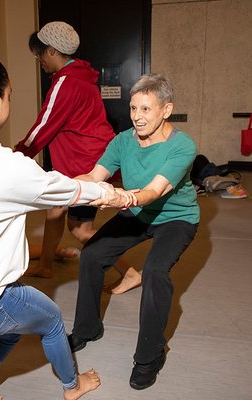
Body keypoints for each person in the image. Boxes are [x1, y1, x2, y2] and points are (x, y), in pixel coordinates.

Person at [0, 54, 133, 400]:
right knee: (51, 319)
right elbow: (68, 189)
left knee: (9, 332)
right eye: (10, 95)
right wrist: (112, 193)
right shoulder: (4, 166)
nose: (9, 103)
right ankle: (72, 387)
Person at [67, 73, 200, 391]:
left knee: (155, 271)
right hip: (139, 214)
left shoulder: (182, 146)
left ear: (166, 110)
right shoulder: (122, 141)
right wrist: (64, 186)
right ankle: (87, 329)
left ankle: (150, 356)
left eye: (146, 109)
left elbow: (155, 191)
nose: (137, 117)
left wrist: (122, 197)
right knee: (92, 255)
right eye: (133, 108)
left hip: (175, 218)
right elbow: (95, 174)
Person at [14, 21, 137, 283]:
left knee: (80, 229)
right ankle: (46, 264)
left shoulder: (66, 83)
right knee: (55, 210)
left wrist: (15, 156)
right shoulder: (82, 78)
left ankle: (129, 272)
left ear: (51, 51)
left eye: (39, 54)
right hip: (79, 162)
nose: (39, 60)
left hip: (84, 166)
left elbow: (44, 127)